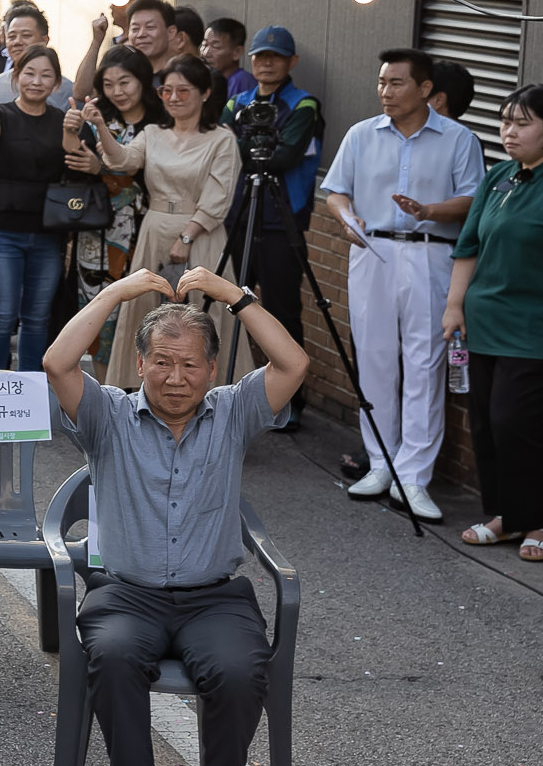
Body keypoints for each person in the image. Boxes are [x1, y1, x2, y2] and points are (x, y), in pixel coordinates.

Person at [43, 266, 309, 766]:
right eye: (162, 361)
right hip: (125, 592)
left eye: (190, 364)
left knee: (242, 670)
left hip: (214, 595)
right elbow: (58, 363)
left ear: (212, 371)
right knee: (111, 657)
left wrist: (235, 297)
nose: (175, 377)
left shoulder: (234, 412)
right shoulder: (107, 416)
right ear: (140, 365)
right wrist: (116, 293)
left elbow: (293, 364)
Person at [318, 49, 487, 519]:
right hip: (371, 251)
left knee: (424, 363)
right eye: (382, 83)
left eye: (396, 83)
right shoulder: (361, 134)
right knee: (373, 359)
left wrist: (429, 210)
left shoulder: (458, 139)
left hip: (431, 254)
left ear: (426, 89)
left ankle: (414, 476)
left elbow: (474, 199)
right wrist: (346, 218)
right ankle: (381, 462)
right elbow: (335, 191)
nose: (385, 92)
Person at [448, 84, 543, 561]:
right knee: (485, 423)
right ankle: (505, 516)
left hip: (542, 328)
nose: (509, 131)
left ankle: (541, 521)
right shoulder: (499, 175)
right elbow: (468, 247)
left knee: (516, 421)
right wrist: (454, 306)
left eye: (522, 123)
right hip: (485, 321)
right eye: (505, 121)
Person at [75, 57, 241, 387]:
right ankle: (144, 388)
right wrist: (102, 127)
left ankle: (209, 392)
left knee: (205, 315)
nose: (174, 97)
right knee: (145, 313)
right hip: (154, 228)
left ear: (205, 93)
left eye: (183, 90)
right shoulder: (153, 132)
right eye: (166, 90)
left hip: (201, 233)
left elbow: (218, 196)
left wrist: (188, 236)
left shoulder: (222, 139)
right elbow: (122, 160)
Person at [0, 46, 84, 372]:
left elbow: (77, 166)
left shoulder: (62, 120)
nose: (36, 81)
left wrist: (73, 131)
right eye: (29, 73)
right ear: (16, 76)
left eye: (46, 75)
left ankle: (29, 391)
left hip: (47, 232)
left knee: (37, 317)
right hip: (0, 228)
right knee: (1, 315)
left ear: (57, 83)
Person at [221, 26, 322, 404]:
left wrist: (245, 143)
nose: (267, 63)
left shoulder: (304, 104)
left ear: (291, 62)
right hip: (239, 213)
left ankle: (289, 401)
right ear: (251, 60)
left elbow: (281, 157)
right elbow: (225, 149)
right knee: (230, 302)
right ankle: (226, 393)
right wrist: (254, 145)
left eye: (276, 57)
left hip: (283, 219)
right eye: (260, 56)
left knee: (282, 310)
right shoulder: (237, 101)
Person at [73, 48, 165, 367]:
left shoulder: (162, 122)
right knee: (98, 313)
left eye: (125, 82)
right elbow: (73, 158)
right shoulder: (99, 115)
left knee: (143, 312)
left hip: (144, 229)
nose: (117, 91)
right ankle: (106, 392)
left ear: (142, 80)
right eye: (109, 84)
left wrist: (103, 168)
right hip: (96, 230)